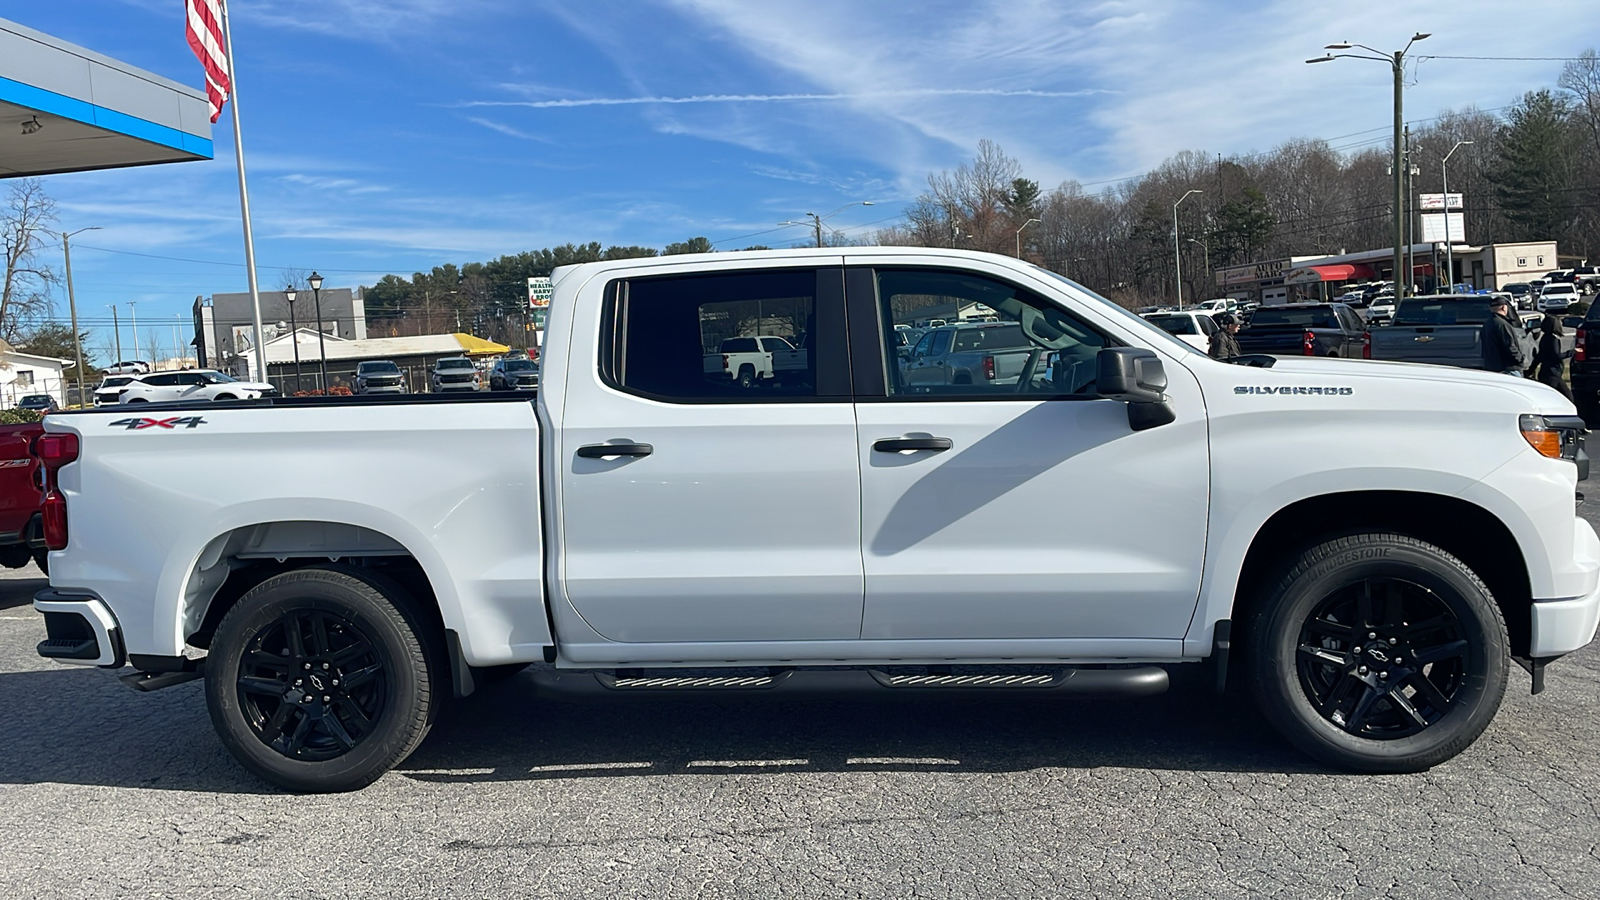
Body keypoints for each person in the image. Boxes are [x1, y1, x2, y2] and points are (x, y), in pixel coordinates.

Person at [1534, 314, 1575, 400]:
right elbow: (1557, 355)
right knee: (1569, 398)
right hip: (1553, 374)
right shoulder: (1553, 339)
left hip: (1544, 373)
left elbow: (1539, 356)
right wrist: (1571, 352)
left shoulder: (1544, 338)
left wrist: (1531, 369)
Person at [1481, 296, 1526, 376]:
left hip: (1492, 368)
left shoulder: (1487, 324)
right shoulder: (1502, 324)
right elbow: (1510, 346)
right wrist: (1520, 360)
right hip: (1508, 369)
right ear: (1503, 308)